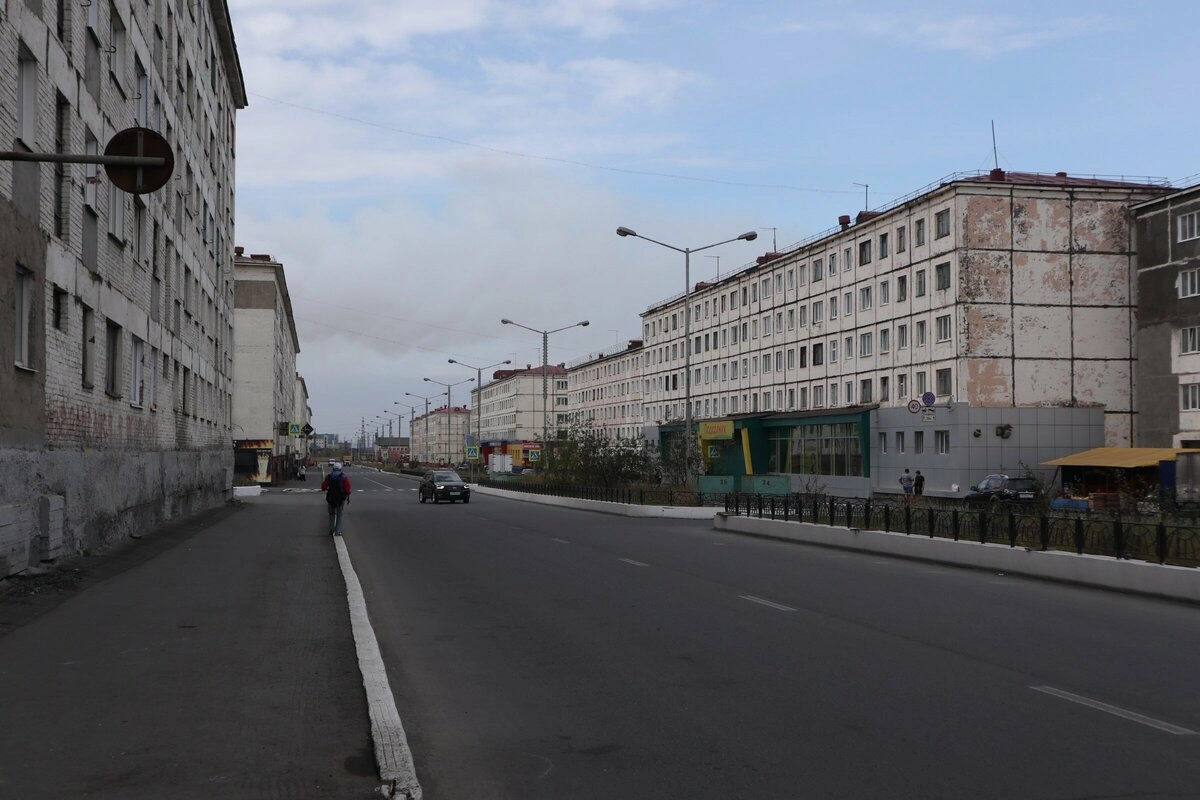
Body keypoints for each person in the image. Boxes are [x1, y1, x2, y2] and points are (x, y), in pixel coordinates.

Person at [321, 462, 351, 536]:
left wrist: (327, 488)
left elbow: (323, 487)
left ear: (333, 468)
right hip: (340, 498)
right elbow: (347, 489)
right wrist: (347, 495)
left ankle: (331, 529)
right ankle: (338, 531)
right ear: (340, 468)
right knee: (339, 514)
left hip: (331, 498)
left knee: (331, 514)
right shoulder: (344, 477)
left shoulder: (329, 476)